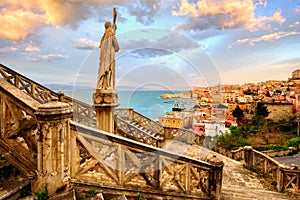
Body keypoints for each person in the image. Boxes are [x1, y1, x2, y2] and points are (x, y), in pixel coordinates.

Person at [96, 19, 119, 89]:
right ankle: (108, 85)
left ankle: (102, 86)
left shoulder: (103, 38)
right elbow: (117, 47)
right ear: (109, 27)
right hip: (109, 57)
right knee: (109, 71)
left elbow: (100, 47)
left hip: (103, 60)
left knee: (103, 72)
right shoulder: (110, 35)